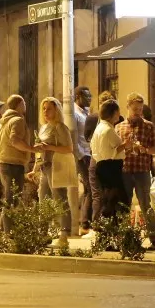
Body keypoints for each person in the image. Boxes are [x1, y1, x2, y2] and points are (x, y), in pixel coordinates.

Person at [116, 92, 155, 250]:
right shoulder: (119, 127)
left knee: (146, 204)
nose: (138, 112)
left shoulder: (149, 126)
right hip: (126, 170)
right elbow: (115, 150)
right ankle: (124, 238)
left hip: (142, 170)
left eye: (140, 109)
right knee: (124, 204)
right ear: (128, 107)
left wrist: (144, 149)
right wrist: (125, 147)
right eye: (135, 109)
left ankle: (154, 239)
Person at [33, 97, 77, 248]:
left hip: (56, 166)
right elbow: (40, 150)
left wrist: (49, 147)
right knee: (43, 199)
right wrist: (35, 169)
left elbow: (69, 149)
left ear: (56, 110)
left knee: (60, 199)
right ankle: (43, 234)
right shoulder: (44, 127)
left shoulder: (60, 127)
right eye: (43, 108)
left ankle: (64, 235)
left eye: (49, 108)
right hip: (44, 166)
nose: (45, 111)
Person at [0, 94, 39, 232]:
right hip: (13, 165)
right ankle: (8, 233)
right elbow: (15, 140)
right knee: (12, 199)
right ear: (20, 104)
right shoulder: (18, 120)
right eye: (24, 103)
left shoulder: (3, 122)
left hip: (3, 163)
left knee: (10, 197)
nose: (25, 105)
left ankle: (0, 231)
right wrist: (31, 149)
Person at [90, 99, 127, 223]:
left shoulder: (99, 128)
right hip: (111, 167)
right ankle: (110, 226)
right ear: (114, 113)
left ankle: (106, 226)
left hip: (101, 165)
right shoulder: (108, 130)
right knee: (115, 200)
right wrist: (126, 144)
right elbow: (114, 150)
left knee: (108, 198)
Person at [72, 87, 95, 233]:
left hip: (90, 153)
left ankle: (86, 220)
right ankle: (84, 223)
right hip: (82, 155)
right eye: (87, 96)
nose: (90, 98)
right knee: (90, 189)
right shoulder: (74, 114)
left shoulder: (87, 113)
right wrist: (80, 156)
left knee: (89, 189)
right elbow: (74, 137)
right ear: (78, 96)